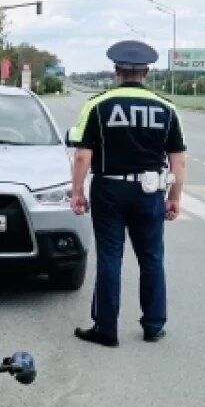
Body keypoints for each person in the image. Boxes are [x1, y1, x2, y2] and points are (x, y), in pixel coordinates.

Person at [68, 40, 187, 348]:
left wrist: (77, 191)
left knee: (110, 257)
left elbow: (83, 155)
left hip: (109, 187)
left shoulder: (98, 104)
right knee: (151, 258)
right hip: (150, 190)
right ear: (146, 71)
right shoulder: (166, 108)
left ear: (116, 70)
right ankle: (153, 326)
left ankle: (106, 329)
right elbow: (178, 160)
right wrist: (174, 196)